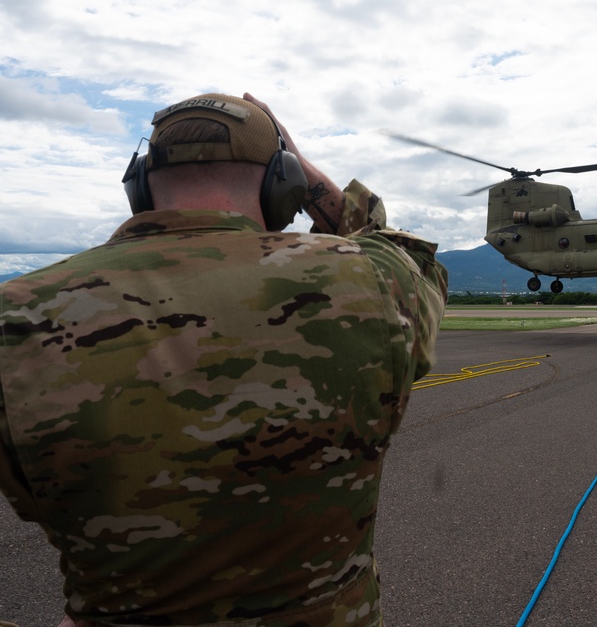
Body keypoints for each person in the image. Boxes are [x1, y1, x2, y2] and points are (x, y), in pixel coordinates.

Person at [0, 92, 448, 627]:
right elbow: (410, 255)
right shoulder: (372, 283)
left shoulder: (18, 316)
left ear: (139, 188)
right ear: (285, 188)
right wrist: (308, 174)